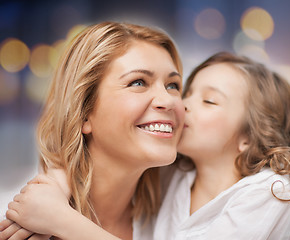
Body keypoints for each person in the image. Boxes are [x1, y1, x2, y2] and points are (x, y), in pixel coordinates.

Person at [1, 52, 290, 240]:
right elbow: (102, 157)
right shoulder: (174, 175)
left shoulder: (270, 192)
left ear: (249, 136)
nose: (179, 105)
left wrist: (61, 220)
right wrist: (57, 183)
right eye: (186, 92)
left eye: (208, 100)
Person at [0, 21, 185, 240]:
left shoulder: (180, 219)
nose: (168, 100)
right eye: (138, 82)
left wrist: (62, 220)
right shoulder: (14, 219)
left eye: (173, 85)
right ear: (83, 112)